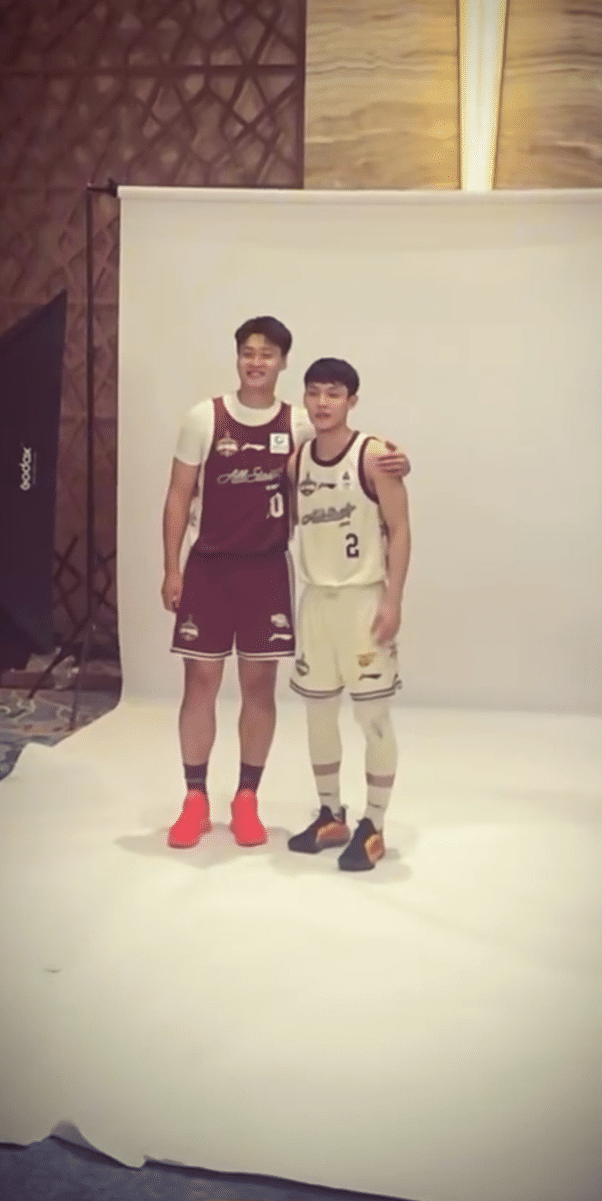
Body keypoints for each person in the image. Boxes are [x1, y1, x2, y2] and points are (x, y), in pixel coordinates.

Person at [162, 318, 410, 849]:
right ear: (237, 357)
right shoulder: (204, 417)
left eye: (267, 354)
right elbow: (179, 495)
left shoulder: (299, 424)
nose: (256, 362)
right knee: (199, 684)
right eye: (248, 353)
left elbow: (349, 453)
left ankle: (246, 799)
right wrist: (171, 567)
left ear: (282, 362)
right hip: (208, 568)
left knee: (259, 688)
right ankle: (195, 800)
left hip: (267, 569)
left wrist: (398, 460)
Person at [286, 357, 411, 872]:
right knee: (318, 713)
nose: (323, 402)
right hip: (316, 601)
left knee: (371, 715)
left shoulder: (374, 455)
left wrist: (393, 600)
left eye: (333, 393)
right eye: (314, 392)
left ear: (351, 400)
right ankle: (330, 813)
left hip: (363, 600)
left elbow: (399, 530)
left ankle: (374, 822)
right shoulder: (297, 459)